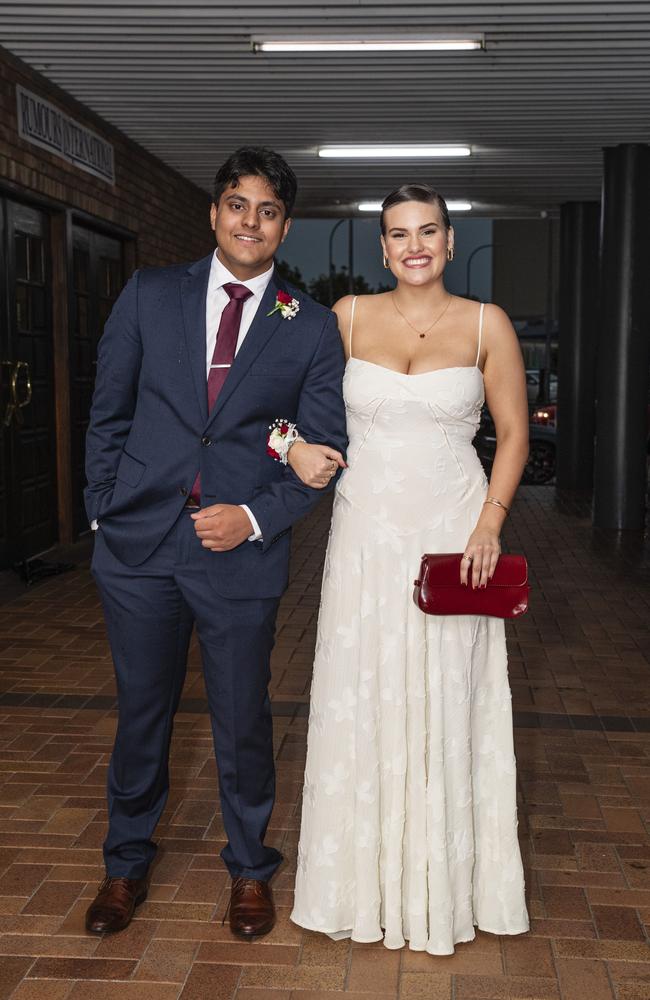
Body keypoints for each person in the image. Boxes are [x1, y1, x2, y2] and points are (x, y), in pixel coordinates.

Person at [83, 146, 347, 938]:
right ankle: (125, 865)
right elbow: (110, 410)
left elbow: (322, 452)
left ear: (284, 227)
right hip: (138, 549)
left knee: (241, 721)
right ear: (215, 212)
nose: (250, 222)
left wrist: (255, 518)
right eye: (238, 205)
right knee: (141, 715)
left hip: (240, 551)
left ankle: (249, 870)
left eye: (267, 211)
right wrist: (103, 509)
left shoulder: (310, 327)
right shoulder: (150, 294)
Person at [288, 184, 530, 954]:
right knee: (362, 692)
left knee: (450, 696)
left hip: (456, 536)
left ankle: (444, 885)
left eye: (429, 231)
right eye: (398, 234)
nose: (414, 245)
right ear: (382, 247)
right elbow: (280, 406)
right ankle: (360, 886)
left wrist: (490, 521)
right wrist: (290, 448)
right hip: (365, 535)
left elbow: (515, 433)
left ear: (451, 242)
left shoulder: (487, 324)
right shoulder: (346, 317)